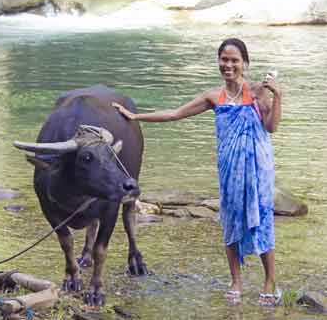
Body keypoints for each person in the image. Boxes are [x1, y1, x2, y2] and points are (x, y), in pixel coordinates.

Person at [113, 38, 282, 306]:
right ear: (218, 62)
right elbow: (174, 114)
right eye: (224, 60)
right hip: (229, 170)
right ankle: (236, 281)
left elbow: (271, 127)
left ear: (245, 64)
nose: (229, 65)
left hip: (258, 168)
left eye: (234, 60)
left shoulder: (258, 92)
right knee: (230, 223)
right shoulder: (213, 96)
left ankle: (269, 281)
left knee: (262, 221)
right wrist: (135, 117)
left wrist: (277, 96)